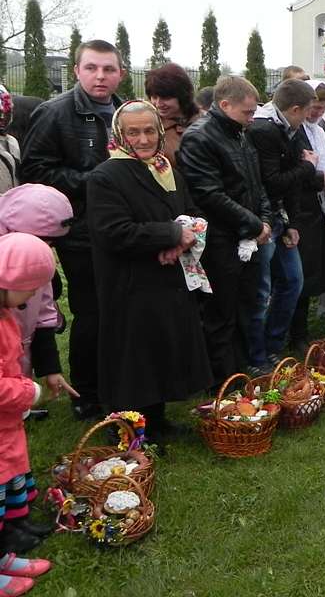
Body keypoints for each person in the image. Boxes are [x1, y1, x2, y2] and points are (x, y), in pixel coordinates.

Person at [87, 101, 213, 438]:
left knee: (159, 350)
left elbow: (189, 211)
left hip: (166, 279)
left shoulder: (165, 167)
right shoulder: (106, 176)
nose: (142, 139)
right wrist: (170, 234)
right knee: (132, 356)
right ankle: (123, 427)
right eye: (133, 132)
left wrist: (184, 237)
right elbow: (114, 231)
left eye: (148, 131)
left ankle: (156, 420)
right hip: (129, 282)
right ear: (119, 134)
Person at [19, 39, 125, 420]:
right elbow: (33, 173)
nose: (100, 76)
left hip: (121, 226)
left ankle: (114, 380)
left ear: (120, 74)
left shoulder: (123, 110)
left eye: (108, 69)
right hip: (79, 229)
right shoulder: (55, 113)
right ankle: (87, 393)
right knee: (91, 312)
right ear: (77, 70)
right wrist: (95, 179)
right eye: (92, 68)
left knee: (118, 308)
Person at [178, 76, 272, 383]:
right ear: (224, 105)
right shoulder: (200, 137)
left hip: (247, 236)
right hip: (219, 239)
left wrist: (265, 218)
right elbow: (209, 194)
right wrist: (254, 223)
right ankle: (221, 381)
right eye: (247, 112)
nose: (252, 118)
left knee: (247, 304)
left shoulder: (240, 133)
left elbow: (255, 183)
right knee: (220, 312)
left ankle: (242, 370)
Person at [247, 79, 324, 369]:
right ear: (294, 109)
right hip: (264, 220)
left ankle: (274, 345)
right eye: (306, 113)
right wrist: (307, 167)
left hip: (282, 220)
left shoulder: (288, 129)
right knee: (261, 291)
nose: (307, 120)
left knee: (293, 281)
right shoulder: (265, 130)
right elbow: (274, 182)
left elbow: (288, 182)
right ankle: (257, 356)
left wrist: (293, 223)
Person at [0, 232, 60, 563]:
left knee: (12, 469)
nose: (34, 293)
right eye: (30, 286)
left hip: (6, 418)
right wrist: (29, 391)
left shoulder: (5, 313)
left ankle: (14, 526)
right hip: (4, 411)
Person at [0, 185, 77, 416]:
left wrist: (50, 368)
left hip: (18, 363)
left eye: (52, 244)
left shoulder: (31, 259)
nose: (46, 249)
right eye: (44, 241)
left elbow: (44, 314)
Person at [291, 85, 325, 346]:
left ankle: (303, 327)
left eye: (323, 109)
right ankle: (297, 332)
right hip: (302, 209)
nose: (318, 113)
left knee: (312, 270)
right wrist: (322, 177)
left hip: (318, 207)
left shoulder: (319, 128)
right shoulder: (295, 130)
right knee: (300, 273)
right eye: (314, 108)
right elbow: (300, 169)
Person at [144, 63, 200, 167]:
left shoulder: (205, 122)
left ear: (182, 96)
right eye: (154, 97)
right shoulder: (147, 125)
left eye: (165, 98)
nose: (159, 103)